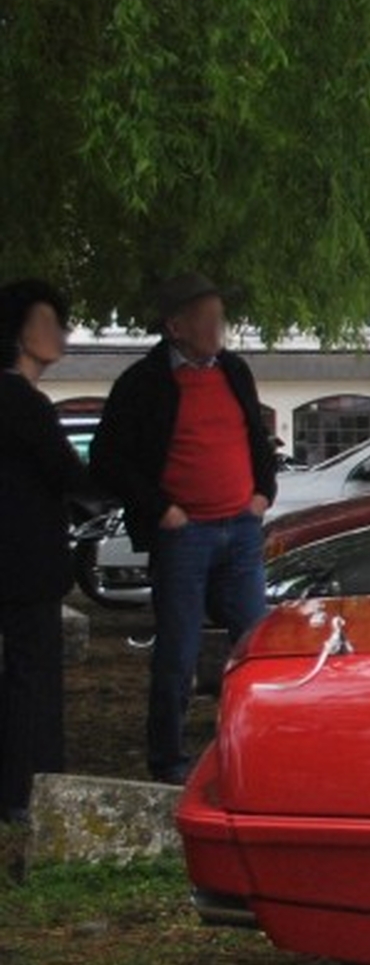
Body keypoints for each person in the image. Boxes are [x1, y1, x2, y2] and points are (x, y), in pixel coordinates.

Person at [91, 272, 278, 784]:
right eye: (208, 318)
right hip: (184, 534)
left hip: (240, 528)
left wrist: (263, 493)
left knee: (254, 643)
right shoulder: (144, 382)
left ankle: (254, 746)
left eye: (220, 317)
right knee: (178, 649)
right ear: (176, 326)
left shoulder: (234, 370)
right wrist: (161, 509)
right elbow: (108, 460)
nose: (219, 327)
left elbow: (257, 440)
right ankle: (168, 761)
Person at [0, 279, 95, 823]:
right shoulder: (25, 404)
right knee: (32, 676)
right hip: (26, 563)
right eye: (46, 322)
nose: (57, 333)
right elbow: (68, 473)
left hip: (17, 560)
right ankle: (30, 787)